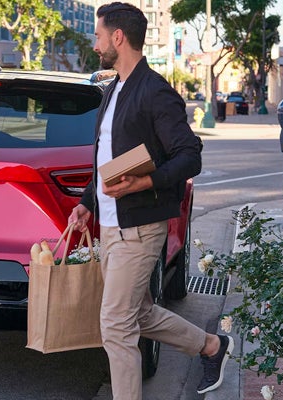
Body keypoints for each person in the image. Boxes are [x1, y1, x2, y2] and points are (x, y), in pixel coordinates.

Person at [66, 3, 232, 399]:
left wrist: (145, 182)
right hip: (111, 225)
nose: (96, 42)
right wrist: (88, 200)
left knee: (116, 325)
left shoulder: (156, 92)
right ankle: (212, 346)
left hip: (139, 229)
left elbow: (189, 155)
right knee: (137, 315)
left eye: (99, 34)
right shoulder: (114, 89)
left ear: (117, 38)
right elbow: (108, 158)